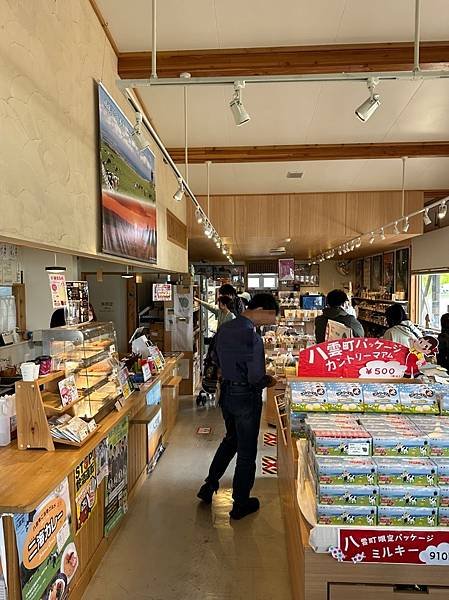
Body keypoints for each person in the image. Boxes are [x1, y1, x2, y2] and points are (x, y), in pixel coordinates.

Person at [197, 293, 279, 520]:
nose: (271, 322)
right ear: (261, 309)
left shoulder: (226, 327)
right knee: (246, 452)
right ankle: (241, 503)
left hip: (227, 394)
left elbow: (213, 356)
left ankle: (209, 484)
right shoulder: (251, 336)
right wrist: (268, 380)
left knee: (231, 439)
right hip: (246, 398)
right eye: (271, 316)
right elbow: (255, 376)